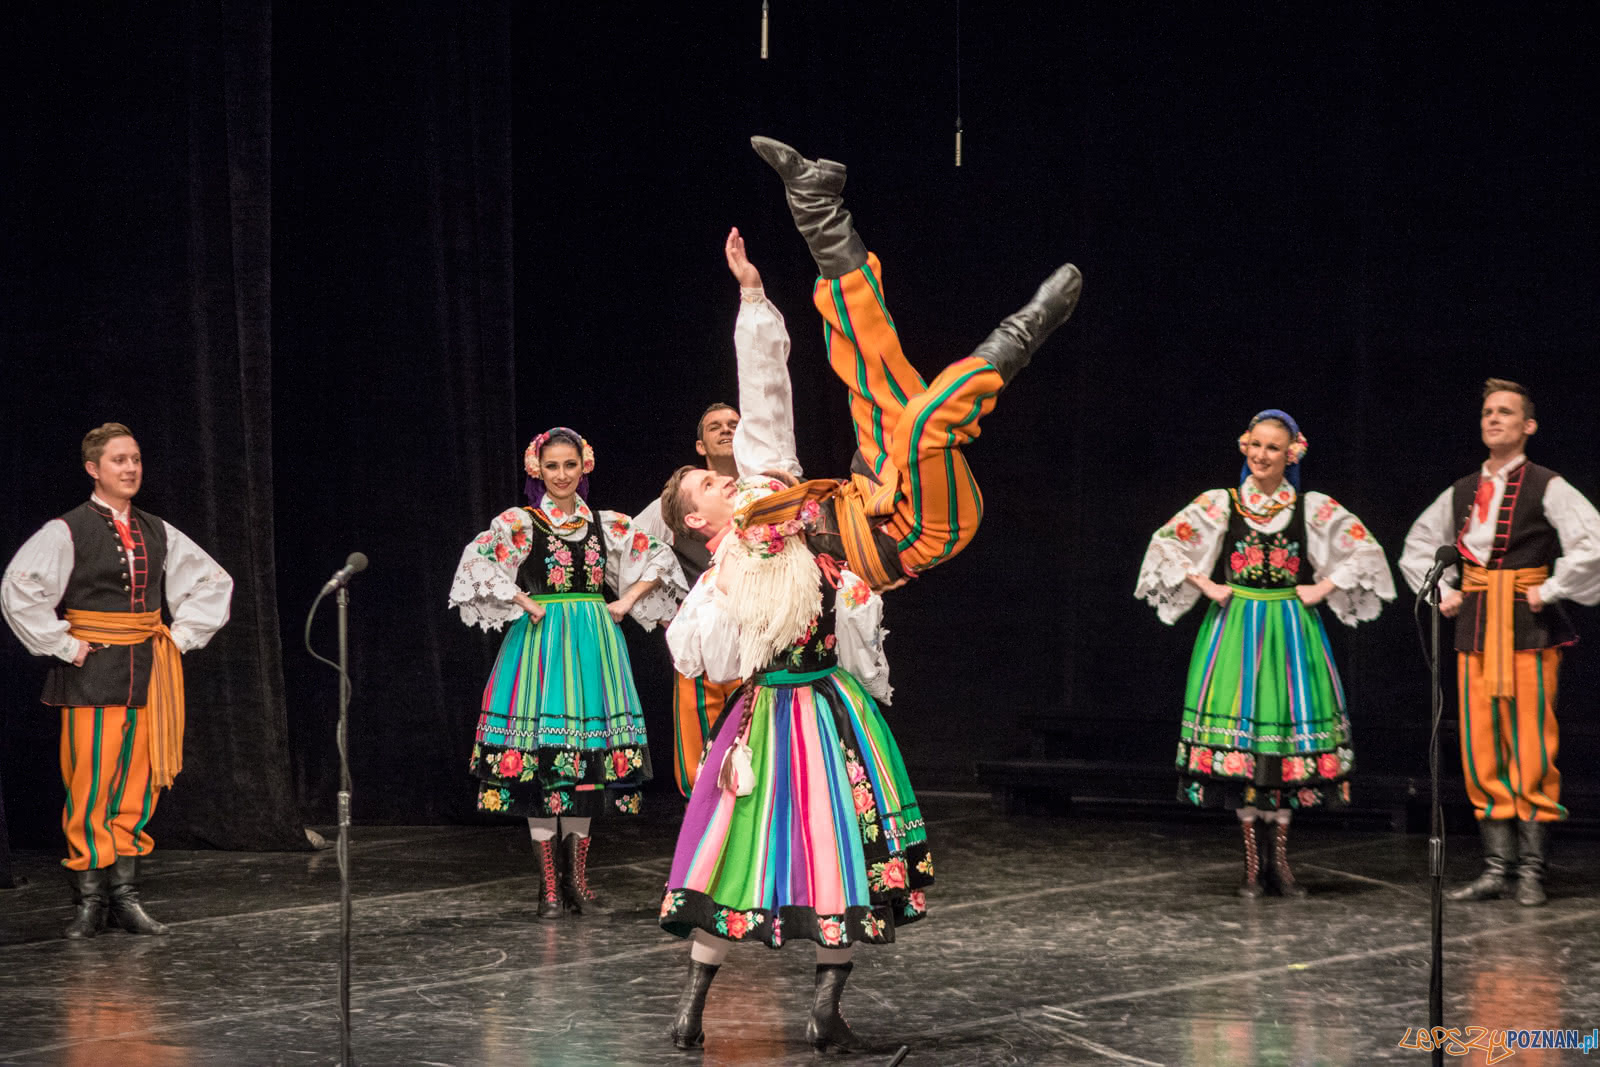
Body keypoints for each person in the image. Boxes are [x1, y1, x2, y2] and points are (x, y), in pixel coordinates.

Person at [655, 130, 1081, 1052]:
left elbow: (764, 397)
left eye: (720, 474)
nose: (724, 477)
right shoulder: (724, 573)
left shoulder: (771, 488)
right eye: (707, 489)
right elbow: (704, 655)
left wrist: (756, 300)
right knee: (744, 854)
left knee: (879, 371)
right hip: (910, 538)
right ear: (696, 524)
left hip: (866, 498)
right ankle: (1014, 342)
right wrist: (759, 587)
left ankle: (819, 206)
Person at [1135, 410, 1395, 897]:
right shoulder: (1222, 503)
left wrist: (1322, 588)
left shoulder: (1310, 508)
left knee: (1280, 751)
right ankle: (1254, 865)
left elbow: (1365, 551)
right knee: (1245, 749)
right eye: (1255, 445)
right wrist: (1206, 584)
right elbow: (1166, 543)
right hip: (1235, 629)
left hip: (1291, 630)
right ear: (1244, 446)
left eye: (1273, 448)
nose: (1262, 455)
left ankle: (1281, 862)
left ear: (1291, 453)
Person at [1, 423, 233, 939]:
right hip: (90, 673)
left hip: (147, 673)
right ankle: (88, 899)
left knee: (136, 783)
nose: (130, 469)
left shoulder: (157, 529)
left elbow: (213, 580)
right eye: (119, 461)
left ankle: (124, 897)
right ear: (93, 469)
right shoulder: (67, 530)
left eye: (136, 459)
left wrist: (181, 635)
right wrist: (64, 643)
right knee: (89, 785)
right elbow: (20, 587)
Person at [448, 427, 685, 918]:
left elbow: (659, 556)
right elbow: (476, 561)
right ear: (537, 469)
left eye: (569, 465)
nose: (561, 475)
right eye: (552, 466)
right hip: (541, 647)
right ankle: (549, 888)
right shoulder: (521, 522)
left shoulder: (607, 523)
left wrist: (625, 600)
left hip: (594, 646)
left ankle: (578, 881)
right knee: (543, 759)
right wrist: (520, 598)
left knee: (585, 765)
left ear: (584, 467)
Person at [1400, 379, 1600, 907]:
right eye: (1488, 411)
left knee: (1532, 742)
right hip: (1477, 627)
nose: (1493, 419)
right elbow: (1419, 544)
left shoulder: (1547, 485)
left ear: (1527, 425)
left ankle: (1532, 868)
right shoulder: (1462, 489)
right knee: (1480, 742)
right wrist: (1443, 589)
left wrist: (1552, 588)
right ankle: (1496, 866)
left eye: (1505, 413)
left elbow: (1592, 541)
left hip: (1528, 630)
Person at [634, 404, 746, 797]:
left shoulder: (766, 484)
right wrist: (674, 614)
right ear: (700, 445)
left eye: (735, 424)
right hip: (715, 644)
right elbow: (628, 548)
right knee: (715, 762)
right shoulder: (685, 497)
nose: (727, 431)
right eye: (716, 427)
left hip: (766, 652)